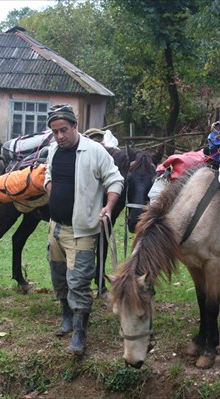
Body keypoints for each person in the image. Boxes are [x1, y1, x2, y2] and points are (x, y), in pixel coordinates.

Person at [44, 104, 124, 356]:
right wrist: (50, 187)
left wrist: (108, 207)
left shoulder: (94, 151)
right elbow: (48, 173)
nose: (59, 136)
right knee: (58, 277)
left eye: (64, 130)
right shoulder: (53, 150)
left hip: (82, 231)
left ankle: (80, 333)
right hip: (55, 227)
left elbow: (115, 179)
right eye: (55, 131)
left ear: (75, 126)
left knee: (78, 282)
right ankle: (66, 317)